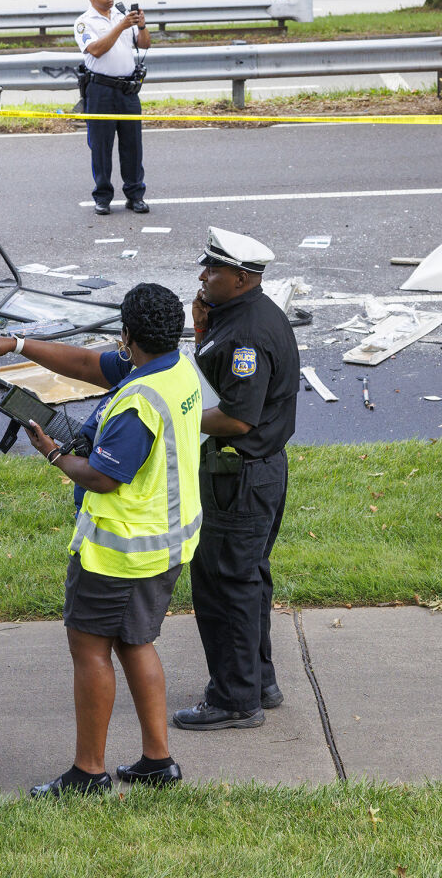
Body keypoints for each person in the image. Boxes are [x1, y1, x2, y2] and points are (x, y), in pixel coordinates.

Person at [0, 284, 202, 796]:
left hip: (118, 550)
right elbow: (89, 365)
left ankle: (88, 773)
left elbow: (102, 477)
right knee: (138, 643)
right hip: (163, 545)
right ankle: (158, 760)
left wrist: (51, 453)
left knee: (90, 651)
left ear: (128, 335)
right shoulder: (173, 369)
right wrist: (18, 344)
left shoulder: (138, 403)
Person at [172, 226, 300, 731]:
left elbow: (235, 418)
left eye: (214, 270)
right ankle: (257, 681)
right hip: (250, 473)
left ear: (243, 278)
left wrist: (173, 414)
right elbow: (218, 377)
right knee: (245, 579)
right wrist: (202, 330)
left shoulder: (247, 332)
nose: (204, 276)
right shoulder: (238, 316)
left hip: (238, 474)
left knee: (224, 584)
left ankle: (234, 699)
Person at [73, 0, 150, 215]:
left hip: (128, 90)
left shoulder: (121, 14)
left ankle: (135, 194)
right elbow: (95, 50)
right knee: (101, 146)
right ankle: (103, 196)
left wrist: (141, 25)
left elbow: (145, 44)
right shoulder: (84, 22)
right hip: (101, 90)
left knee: (133, 145)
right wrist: (120, 26)